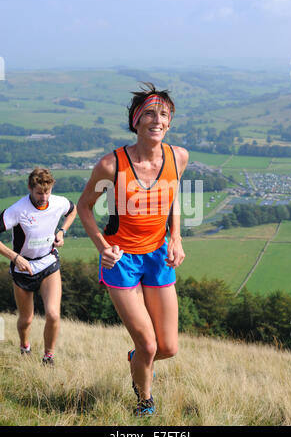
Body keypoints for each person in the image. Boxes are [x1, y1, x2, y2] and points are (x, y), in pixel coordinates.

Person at [77, 82, 188, 416]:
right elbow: (84, 207)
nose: (158, 119)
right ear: (136, 121)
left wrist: (177, 237)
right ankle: (144, 403)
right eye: (150, 113)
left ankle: (137, 359)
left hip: (157, 254)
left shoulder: (177, 157)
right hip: (121, 260)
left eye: (164, 114)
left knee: (167, 348)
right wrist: (102, 247)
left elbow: (173, 197)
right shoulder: (111, 165)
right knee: (149, 345)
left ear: (170, 122)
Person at [0, 168, 77, 365]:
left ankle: (48, 357)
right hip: (23, 268)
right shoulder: (17, 210)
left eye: (47, 192)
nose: (44, 197)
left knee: (53, 314)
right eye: (39, 193)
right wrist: (14, 257)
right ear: (30, 189)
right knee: (26, 319)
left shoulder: (58, 202)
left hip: (48, 262)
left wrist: (62, 231)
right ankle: (24, 346)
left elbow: (73, 209)